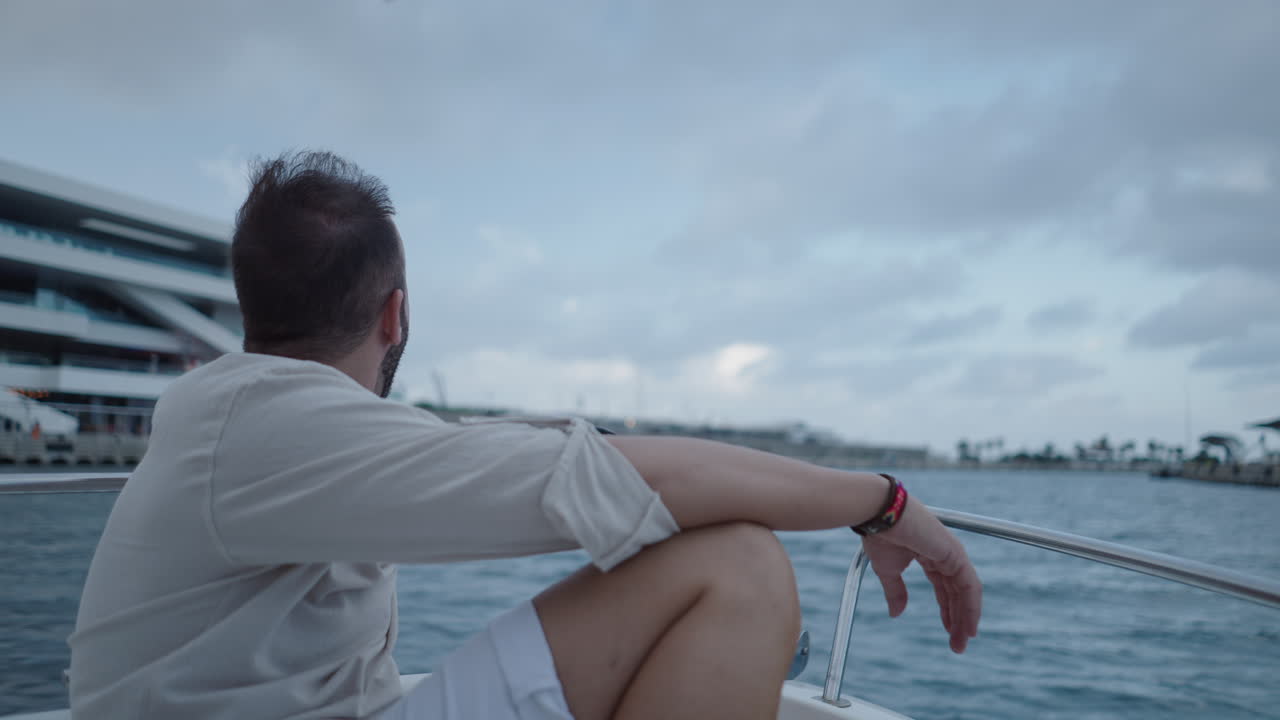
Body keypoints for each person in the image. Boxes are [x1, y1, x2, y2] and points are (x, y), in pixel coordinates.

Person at [68, 151, 981, 720]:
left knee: (732, 557)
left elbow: (551, 459)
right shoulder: (262, 430)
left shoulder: (257, 427)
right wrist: (883, 502)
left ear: (251, 308)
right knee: (737, 568)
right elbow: (600, 473)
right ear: (397, 316)